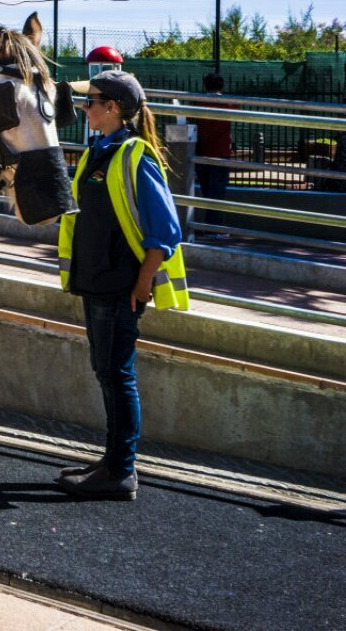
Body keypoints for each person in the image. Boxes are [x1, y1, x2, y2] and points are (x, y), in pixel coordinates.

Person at [56, 69, 190, 501]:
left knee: (116, 375)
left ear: (112, 107)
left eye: (91, 101)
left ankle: (120, 471)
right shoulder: (101, 150)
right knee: (107, 372)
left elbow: (165, 231)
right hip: (98, 281)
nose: (84, 108)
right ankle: (112, 461)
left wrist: (143, 282)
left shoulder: (135, 155)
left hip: (119, 285)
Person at [188, 73, 234, 233]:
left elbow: (188, 118)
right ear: (222, 86)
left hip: (202, 152)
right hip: (221, 152)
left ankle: (209, 226)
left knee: (207, 191)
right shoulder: (229, 103)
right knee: (217, 193)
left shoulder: (197, 102)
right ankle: (214, 228)